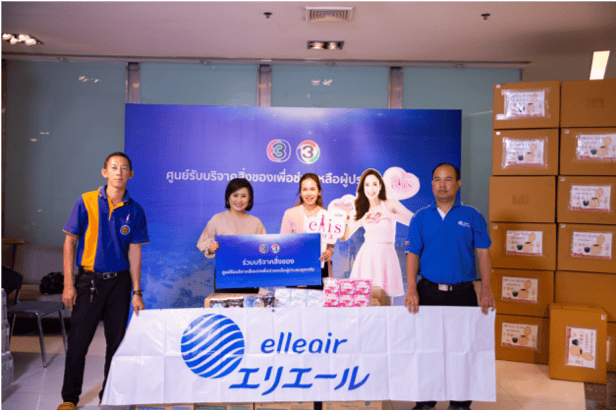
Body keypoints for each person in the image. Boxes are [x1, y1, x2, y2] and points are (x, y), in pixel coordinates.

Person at [57, 152, 149, 410]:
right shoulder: (86, 201)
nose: (119, 172)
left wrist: (137, 292)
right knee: (78, 342)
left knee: (116, 343)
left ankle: (108, 394)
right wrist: (68, 284)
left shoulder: (135, 210)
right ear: (105, 172)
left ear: (131, 174)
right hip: (89, 282)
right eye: (114, 167)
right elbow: (70, 241)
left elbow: (135, 251)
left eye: (124, 168)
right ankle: (69, 398)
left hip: (120, 284)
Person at [404, 163, 495, 410]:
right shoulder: (420, 217)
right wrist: (411, 289)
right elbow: (412, 254)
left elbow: (483, 253)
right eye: (437, 179)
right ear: (431, 184)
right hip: (428, 292)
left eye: (448, 179)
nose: (442, 184)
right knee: (427, 350)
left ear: (458, 184)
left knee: (463, 351)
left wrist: (486, 289)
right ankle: (425, 402)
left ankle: (460, 403)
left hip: (463, 294)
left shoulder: (472, 216)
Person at [341, 168, 413, 297]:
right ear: (363, 188)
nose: (371, 189)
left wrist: (389, 214)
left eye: (374, 184)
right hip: (367, 257)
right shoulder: (360, 208)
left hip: (387, 255)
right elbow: (344, 236)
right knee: (364, 298)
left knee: (385, 299)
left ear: (380, 186)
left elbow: (413, 220)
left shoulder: (390, 204)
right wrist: (361, 221)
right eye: (367, 185)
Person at [197, 178, 266, 292]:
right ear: (228, 196)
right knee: (225, 303)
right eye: (235, 195)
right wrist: (211, 248)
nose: (239, 200)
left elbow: (264, 248)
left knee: (249, 303)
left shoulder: (256, 222)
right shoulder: (217, 219)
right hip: (225, 275)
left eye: (243, 196)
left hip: (250, 276)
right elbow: (203, 242)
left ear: (249, 199)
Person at [280, 173, 335, 289]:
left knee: (318, 300)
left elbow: (330, 245)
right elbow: (283, 243)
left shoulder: (327, 215)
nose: (309, 193)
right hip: (295, 269)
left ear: (319, 192)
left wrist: (330, 251)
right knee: (295, 300)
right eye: (305, 189)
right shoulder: (290, 214)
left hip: (319, 269)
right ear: (300, 193)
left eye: (312, 189)